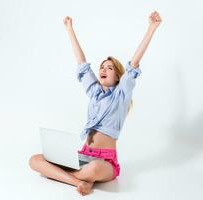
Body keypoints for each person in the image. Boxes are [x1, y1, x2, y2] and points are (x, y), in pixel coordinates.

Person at [29, 11, 162, 196]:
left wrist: (151, 28)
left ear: (118, 77)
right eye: (102, 66)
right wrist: (69, 29)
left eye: (109, 68)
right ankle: (78, 181)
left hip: (104, 163)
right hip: (82, 155)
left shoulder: (121, 95)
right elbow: (82, 64)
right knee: (34, 160)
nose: (103, 69)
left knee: (94, 169)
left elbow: (134, 63)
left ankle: (65, 175)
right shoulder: (94, 93)